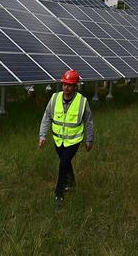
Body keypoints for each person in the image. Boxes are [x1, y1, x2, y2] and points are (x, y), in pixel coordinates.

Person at [38, 70, 94, 206]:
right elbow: (47, 117)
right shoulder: (54, 98)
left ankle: (59, 193)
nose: (66, 88)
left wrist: (89, 140)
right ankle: (72, 182)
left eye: (69, 85)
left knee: (63, 163)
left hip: (74, 140)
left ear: (75, 87)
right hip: (58, 140)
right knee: (65, 162)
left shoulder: (82, 101)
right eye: (64, 84)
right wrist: (42, 135)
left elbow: (89, 121)